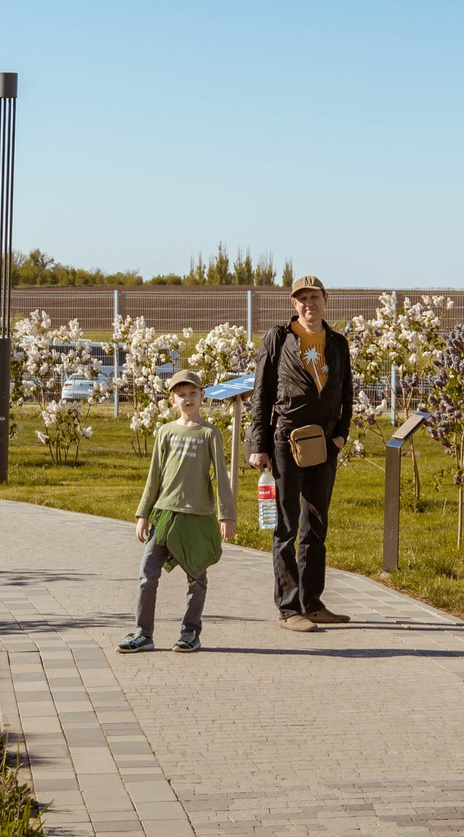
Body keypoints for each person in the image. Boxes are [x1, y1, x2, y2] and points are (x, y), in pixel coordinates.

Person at [249, 275, 353, 631]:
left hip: (324, 443)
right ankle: (289, 608)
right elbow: (261, 393)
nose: (309, 304)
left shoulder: (338, 343)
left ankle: (313, 602)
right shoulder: (279, 339)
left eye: (315, 297)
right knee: (287, 525)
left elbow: (347, 393)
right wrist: (258, 445)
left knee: (317, 524)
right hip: (284, 442)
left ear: (326, 299)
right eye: (302, 299)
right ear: (294, 304)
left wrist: (341, 435)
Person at [121, 368, 234, 654]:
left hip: (196, 518)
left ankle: (190, 633)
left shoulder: (210, 433)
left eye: (193, 393)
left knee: (196, 578)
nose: (188, 399)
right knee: (147, 575)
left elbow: (222, 477)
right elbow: (154, 475)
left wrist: (226, 516)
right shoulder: (165, 432)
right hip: (164, 515)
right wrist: (142, 514)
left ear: (202, 396)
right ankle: (143, 634)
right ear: (172, 400)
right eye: (181, 395)